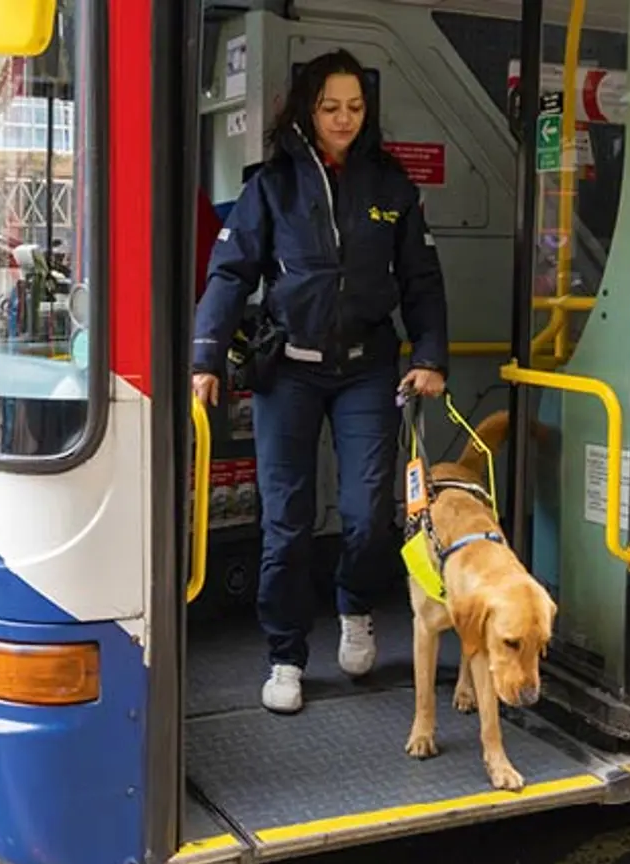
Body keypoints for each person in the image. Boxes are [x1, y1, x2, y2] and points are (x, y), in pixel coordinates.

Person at [190, 49, 449, 714]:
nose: (344, 119)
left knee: (367, 518)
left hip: (368, 371)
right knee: (287, 524)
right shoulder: (271, 184)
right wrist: (204, 358)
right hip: (290, 375)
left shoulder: (391, 187)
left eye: (355, 108)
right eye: (331, 107)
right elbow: (229, 274)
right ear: (308, 107)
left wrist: (430, 354)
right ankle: (285, 656)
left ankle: (356, 607)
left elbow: (421, 280)